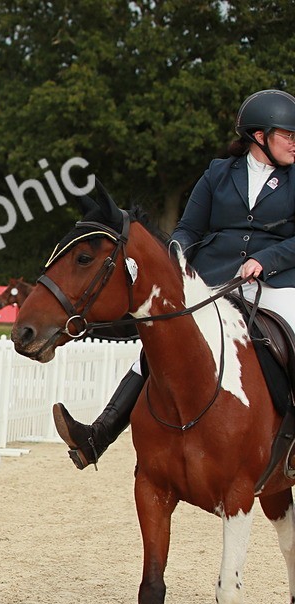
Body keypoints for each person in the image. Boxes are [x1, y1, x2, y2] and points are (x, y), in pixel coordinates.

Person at [54, 88, 295, 469]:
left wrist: (265, 259)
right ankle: (98, 434)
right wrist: (175, 258)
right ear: (259, 136)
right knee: (162, 345)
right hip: (213, 281)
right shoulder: (218, 174)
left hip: (275, 283)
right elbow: (189, 228)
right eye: (288, 135)